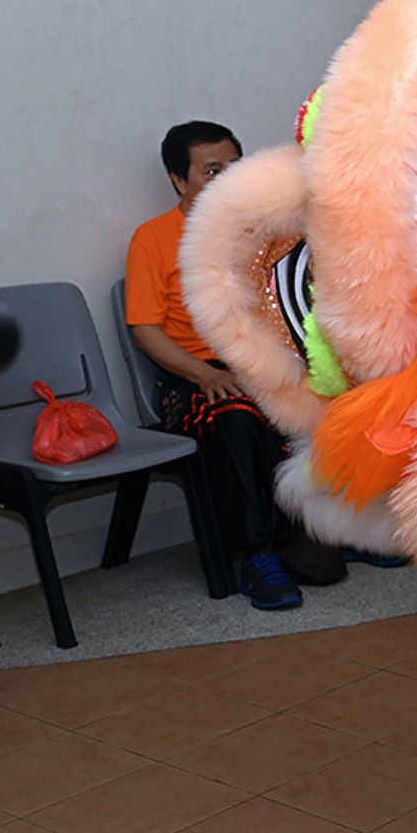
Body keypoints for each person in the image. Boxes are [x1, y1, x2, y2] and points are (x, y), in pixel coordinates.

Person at [125, 121, 303, 610]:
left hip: (254, 363)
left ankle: (328, 532)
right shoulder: (153, 238)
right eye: (211, 171)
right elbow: (144, 329)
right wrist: (205, 375)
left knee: (325, 400)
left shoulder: (257, 234)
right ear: (179, 180)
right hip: (192, 376)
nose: (226, 180)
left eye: (234, 168)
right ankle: (256, 554)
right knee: (237, 419)